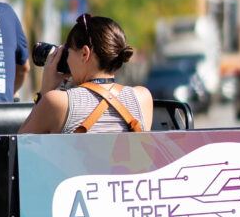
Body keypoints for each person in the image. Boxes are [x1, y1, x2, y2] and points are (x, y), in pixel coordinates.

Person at [18, 14, 153, 134]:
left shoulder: (57, 102)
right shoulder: (142, 98)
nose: (67, 59)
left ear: (84, 54)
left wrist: (45, 91)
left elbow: (19, 145)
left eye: (67, 52)